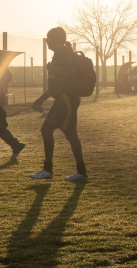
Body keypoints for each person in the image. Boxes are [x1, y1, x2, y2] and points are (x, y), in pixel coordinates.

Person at [29, 27, 87, 181]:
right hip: (65, 99)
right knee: (71, 134)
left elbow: (71, 74)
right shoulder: (59, 54)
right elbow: (57, 84)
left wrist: (54, 69)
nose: (47, 41)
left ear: (56, 40)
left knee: (46, 129)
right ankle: (81, 172)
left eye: (49, 38)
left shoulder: (64, 54)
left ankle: (48, 170)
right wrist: (41, 99)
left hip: (66, 100)